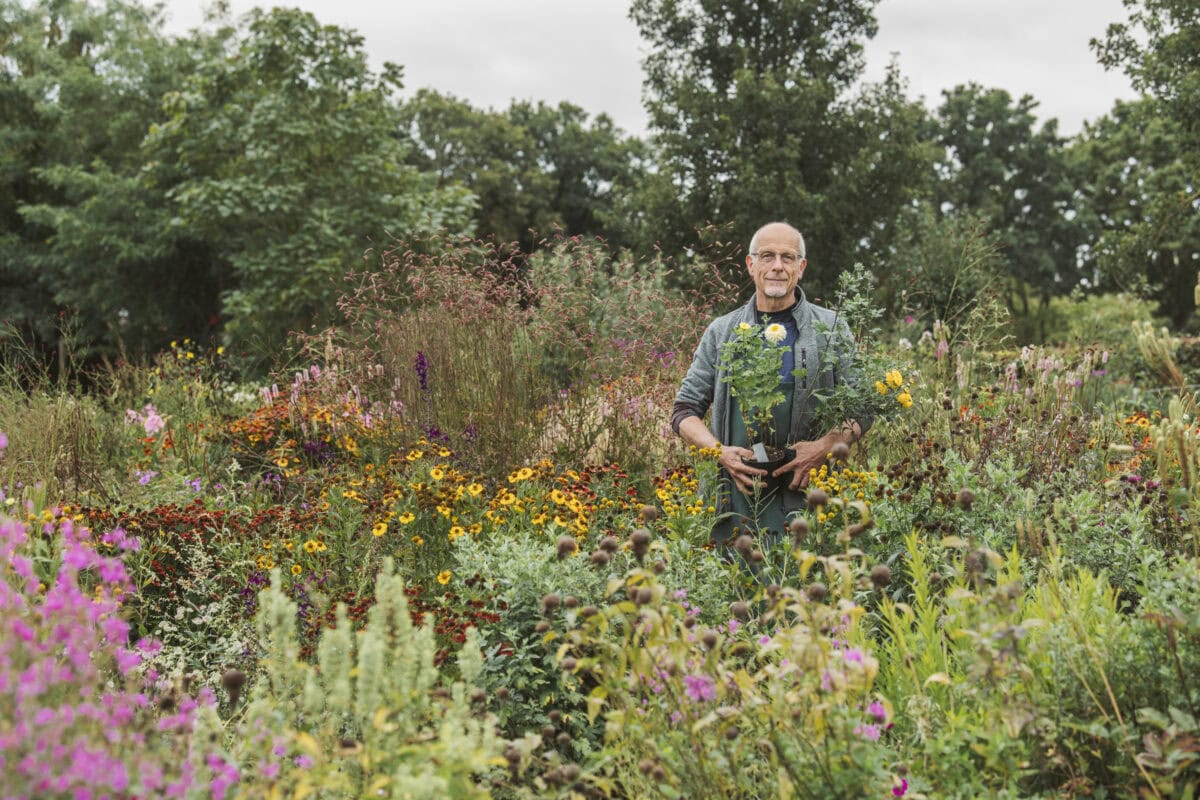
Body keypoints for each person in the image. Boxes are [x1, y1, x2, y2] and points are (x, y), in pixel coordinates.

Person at [671, 221, 866, 544]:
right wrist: (720, 453)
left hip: (809, 496)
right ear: (751, 265)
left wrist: (823, 447)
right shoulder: (722, 331)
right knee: (737, 588)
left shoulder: (830, 330)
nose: (777, 266)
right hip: (736, 498)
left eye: (788, 258)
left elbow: (863, 409)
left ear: (801, 268)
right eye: (767, 256)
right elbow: (684, 411)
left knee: (805, 586)